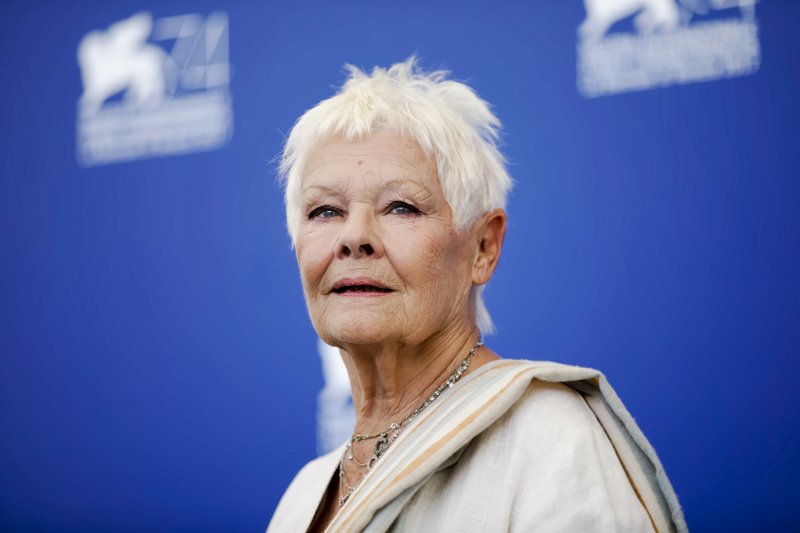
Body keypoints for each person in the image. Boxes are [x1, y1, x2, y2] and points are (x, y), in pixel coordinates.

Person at [267, 58, 686, 532]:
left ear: (483, 247)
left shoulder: (551, 443)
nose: (354, 236)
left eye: (401, 206)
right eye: (324, 211)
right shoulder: (302, 496)